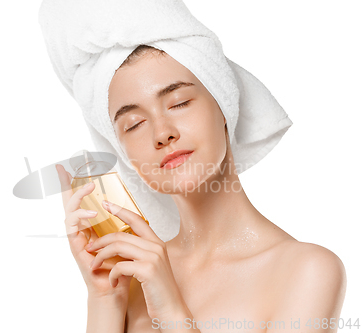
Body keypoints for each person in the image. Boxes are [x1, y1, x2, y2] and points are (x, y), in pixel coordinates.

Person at [56, 45, 347, 333]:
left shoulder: (307, 271)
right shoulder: (131, 277)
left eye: (179, 103)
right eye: (134, 124)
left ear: (224, 105)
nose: (162, 133)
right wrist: (105, 298)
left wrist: (172, 312)